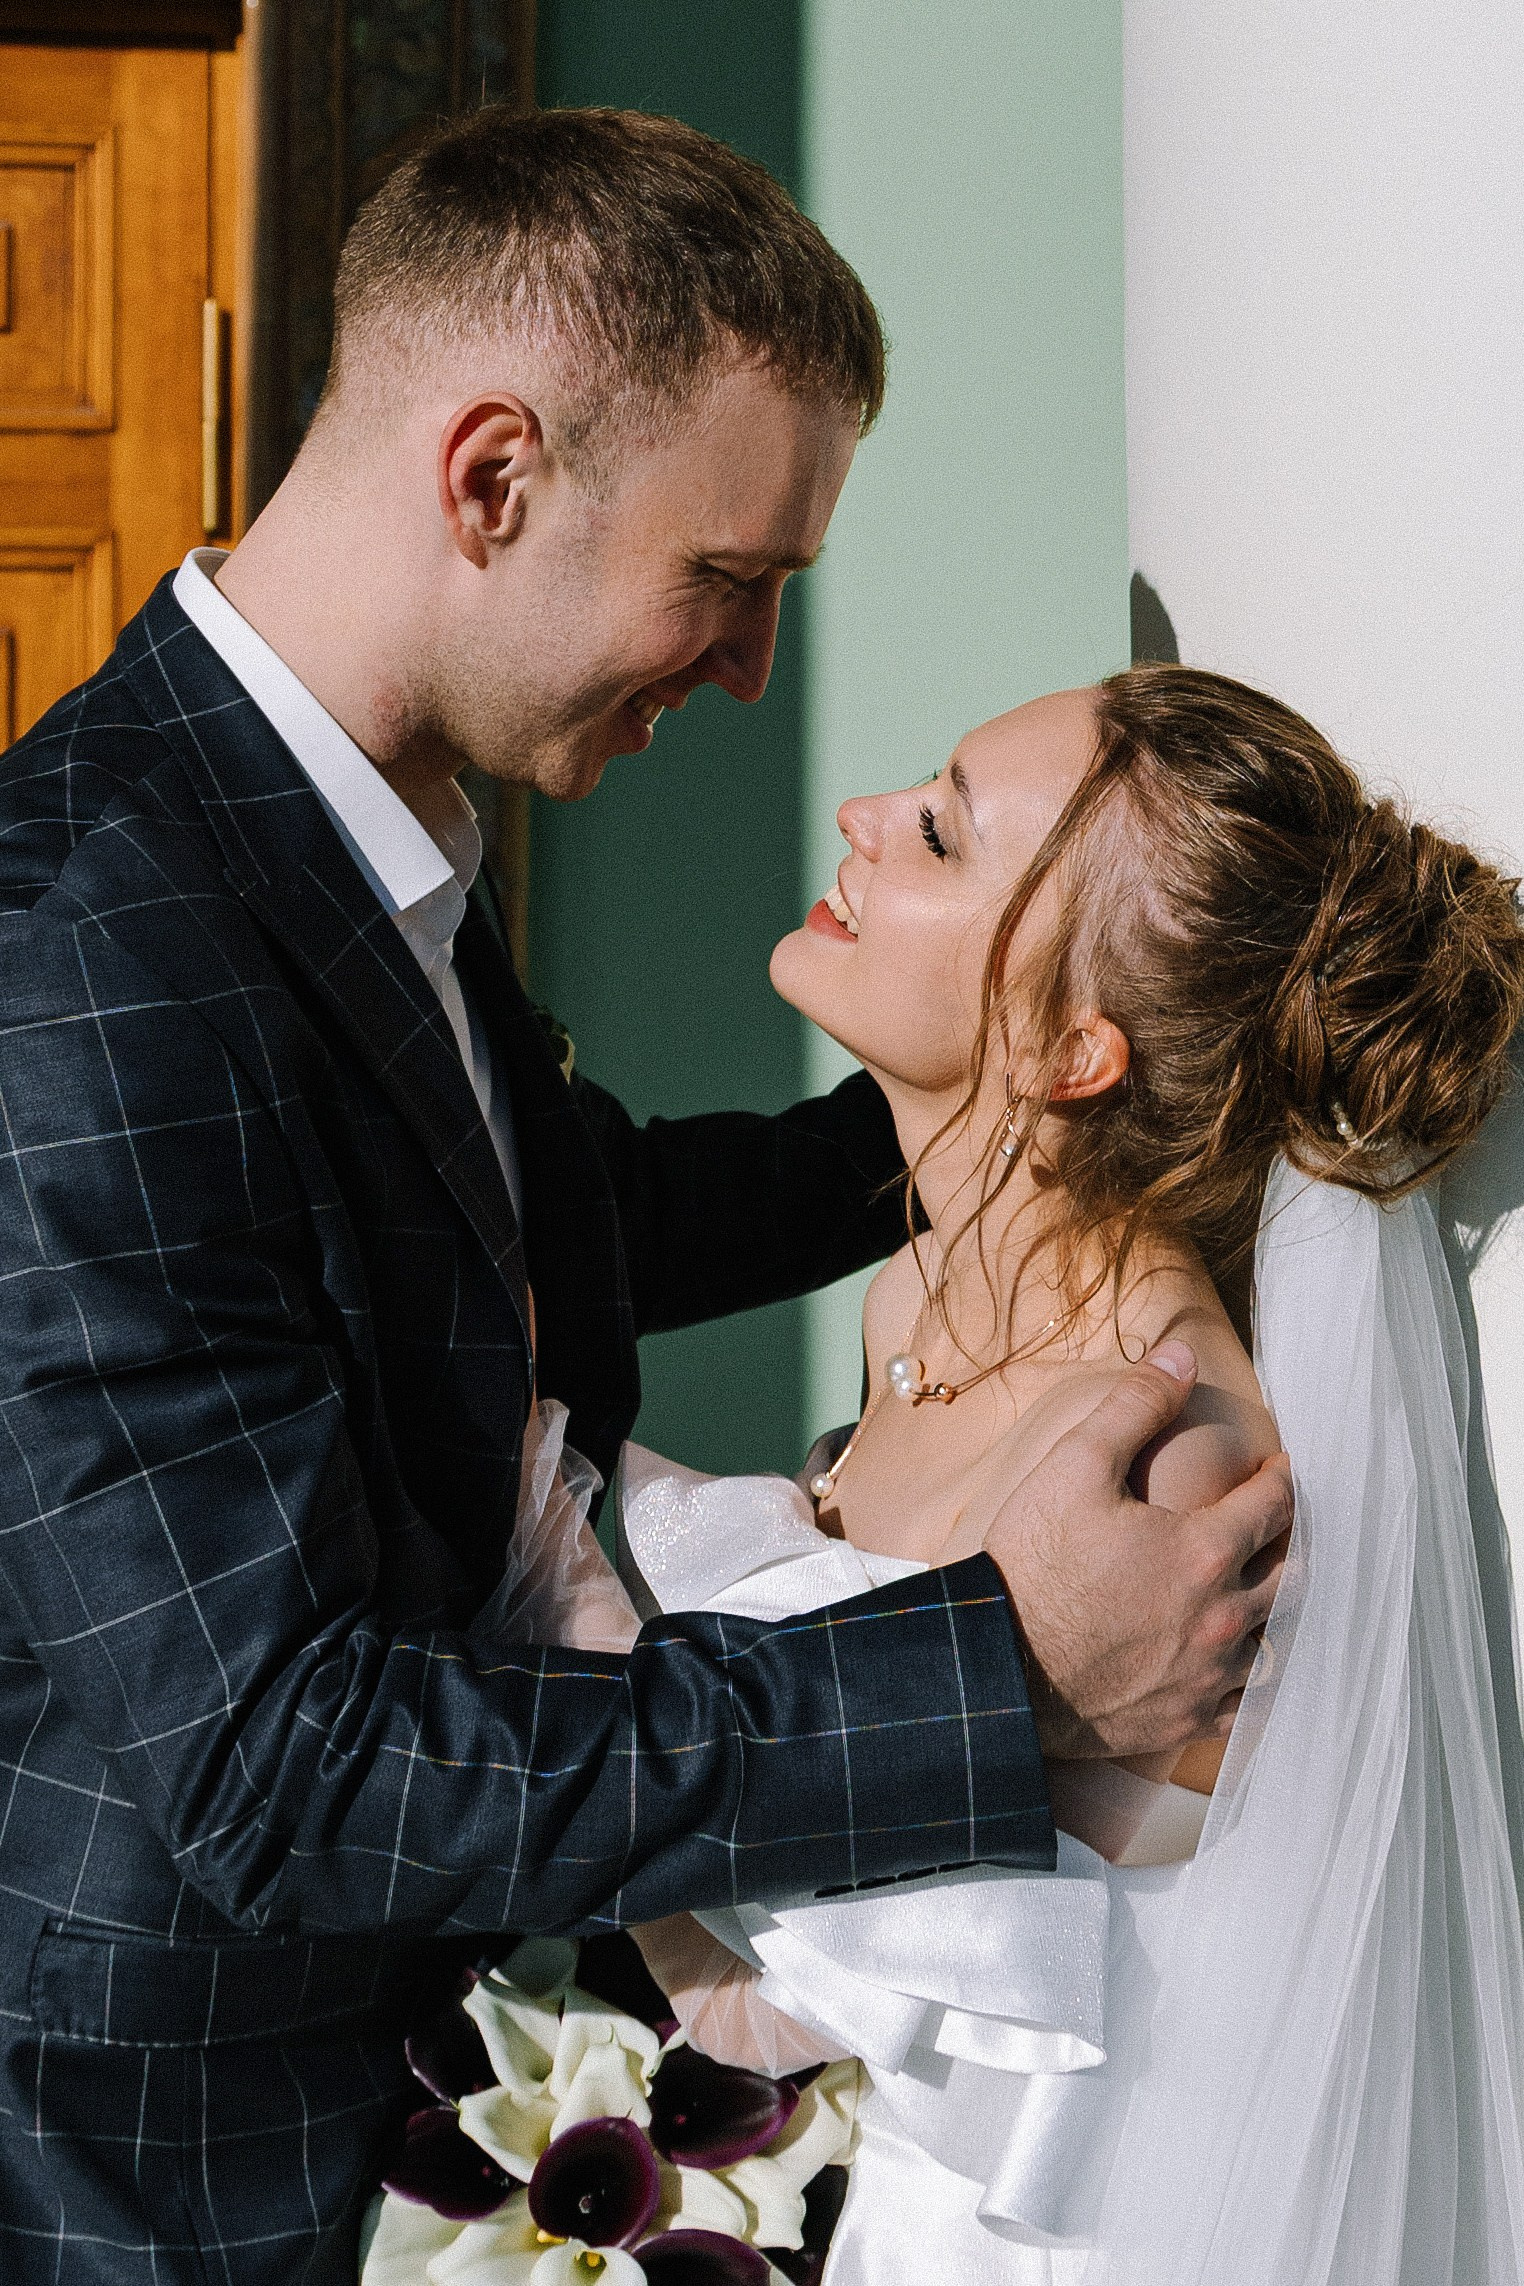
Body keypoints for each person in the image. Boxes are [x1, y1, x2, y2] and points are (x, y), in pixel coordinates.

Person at [0, 111, 1288, 2284]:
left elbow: (532, 1220)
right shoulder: (87, 947)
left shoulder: (348, 824)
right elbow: (281, 1770)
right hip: (169, 2186)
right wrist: (1002, 1666)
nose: (753, 669)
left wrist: (1015, 1102)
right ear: (494, 479)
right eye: (731, 578)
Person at [373, 667, 1524, 2282]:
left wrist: (559, 1577)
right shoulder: (911, 1300)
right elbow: (780, 1955)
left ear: (1073, 1049)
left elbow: (882, 1998)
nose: (862, 816)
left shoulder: (1163, 1456)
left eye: (937, 832)